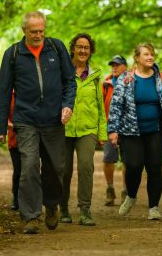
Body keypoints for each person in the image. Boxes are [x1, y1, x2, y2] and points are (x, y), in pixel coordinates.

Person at [0, 11, 76, 234]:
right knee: (29, 166)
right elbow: (3, 91)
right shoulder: (13, 54)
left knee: (54, 168)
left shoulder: (56, 48)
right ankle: (30, 216)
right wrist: (0, 126)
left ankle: (51, 206)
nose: (39, 35)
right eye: (34, 31)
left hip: (53, 120)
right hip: (26, 120)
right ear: (24, 31)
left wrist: (68, 105)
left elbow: (70, 82)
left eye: (42, 30)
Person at [107, 43, 162, 220]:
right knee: (133, 165)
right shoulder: (126, 79)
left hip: (155, 130)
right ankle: (131, 195)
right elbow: (116, 105)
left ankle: (154, 207)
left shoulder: (160, 78)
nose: (150, 57)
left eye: (152, 55)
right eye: (146, 54)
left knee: (154, 167)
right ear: (137, 58)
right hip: (131, 131)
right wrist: (113, 130)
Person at [59, 33, 107, 226]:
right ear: (73, 48)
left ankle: (85, 210)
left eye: (86, 47)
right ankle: (62, 208)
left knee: (86, 167)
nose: (83, 50)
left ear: (90, 50)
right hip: (64, 127)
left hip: (88, 128)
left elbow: (100, 105)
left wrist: (102, 132)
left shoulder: (95, 75)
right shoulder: (62, 71)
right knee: (64, 170)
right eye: (79, 46)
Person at [102, 55, 128, 206]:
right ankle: (110, 188)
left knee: (128, 160)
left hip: (127, 127)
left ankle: (126, 190)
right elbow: (100, 107)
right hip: (109, 126)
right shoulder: (105, 84)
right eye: (112, 65)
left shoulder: (131, 81)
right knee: (108, 158)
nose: (114, 67)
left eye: (117, 64)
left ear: (125, 66)